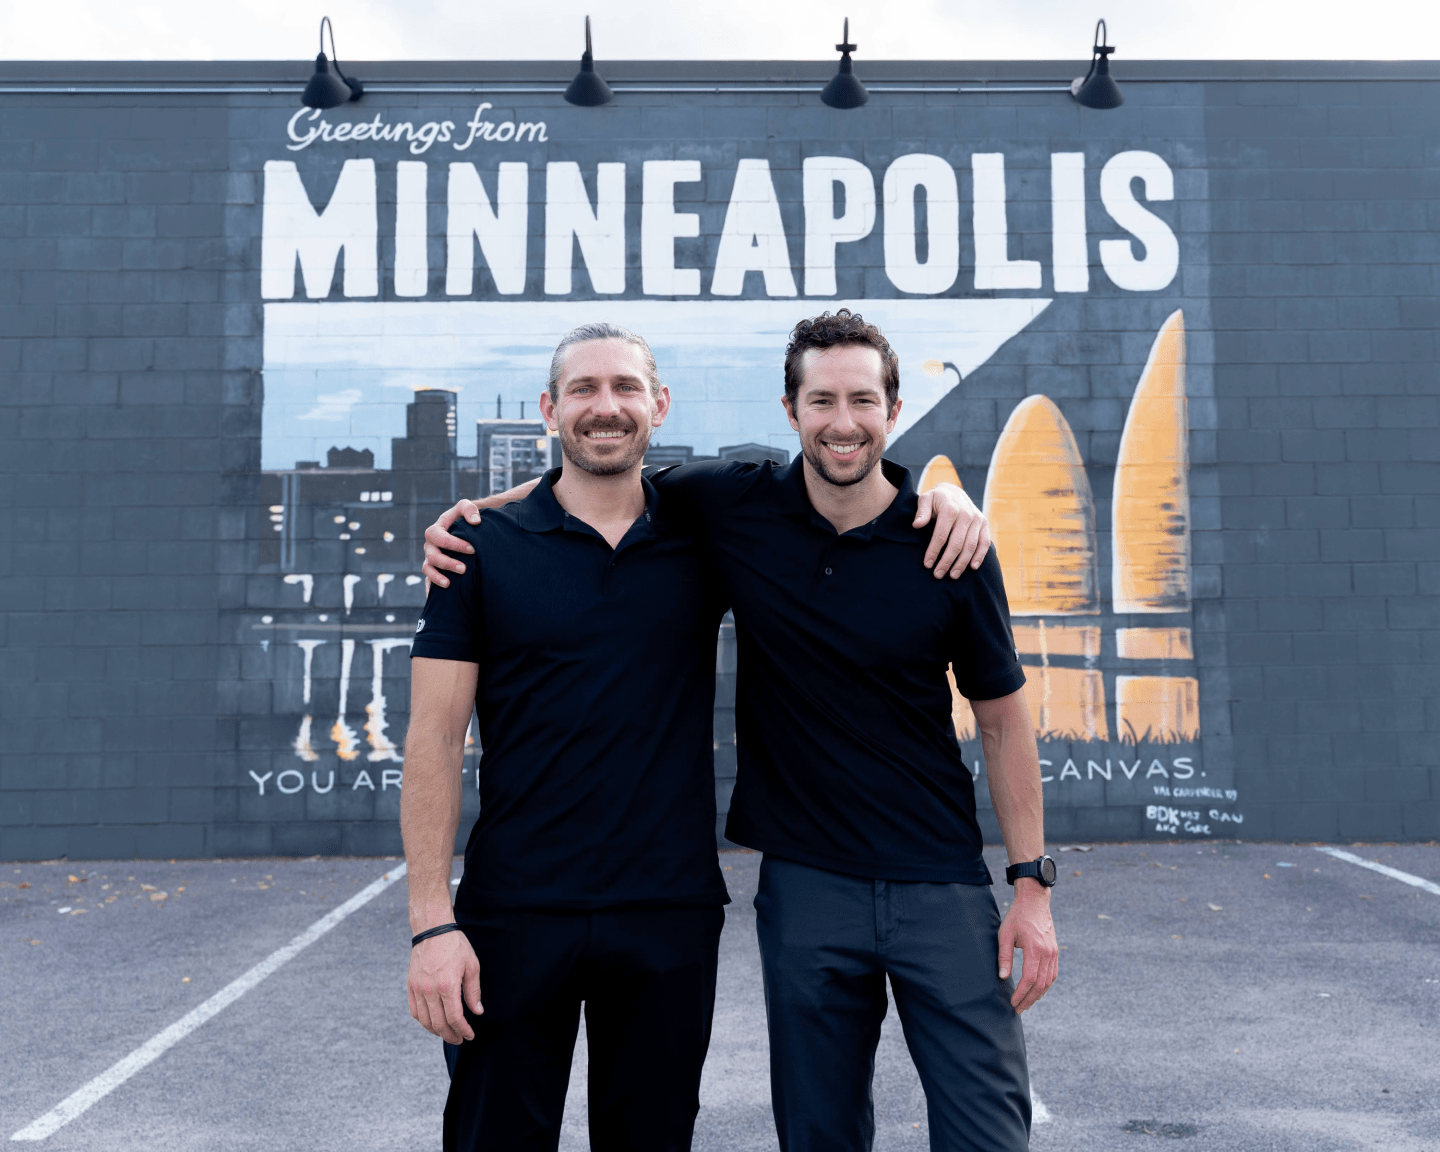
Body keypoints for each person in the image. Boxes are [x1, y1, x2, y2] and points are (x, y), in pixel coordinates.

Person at [424, 310, 1058, 1152]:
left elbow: (1004, 720)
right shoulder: (726, 510)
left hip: (901, 882)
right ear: (790, 411)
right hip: (771, 887)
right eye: (821, 401)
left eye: (862, 400)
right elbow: (599, 472)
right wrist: (475, 513)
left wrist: (1031, 885)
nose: (842, 421)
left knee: (984, 1134)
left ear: (894, 411)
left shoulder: (937, 543)